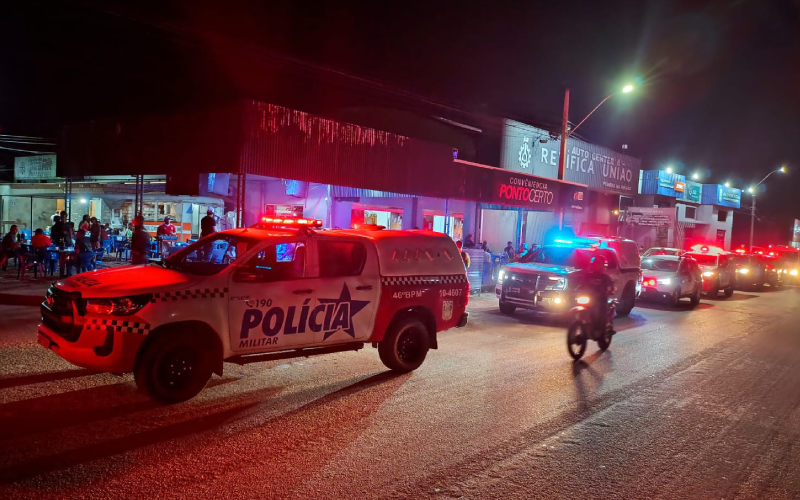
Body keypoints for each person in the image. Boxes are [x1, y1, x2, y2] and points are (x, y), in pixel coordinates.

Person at [579, 255, 616, 334]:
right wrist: (577, 290)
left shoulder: (605, 277)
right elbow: (581, 284)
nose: (597, 266)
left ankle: (603, 329)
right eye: (595, 264)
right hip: (590, 297)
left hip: (601, 299)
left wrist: (610, 291)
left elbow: (611, 287)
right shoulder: (588, 275)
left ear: (603, 266)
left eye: (599, 264)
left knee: (601, 310)